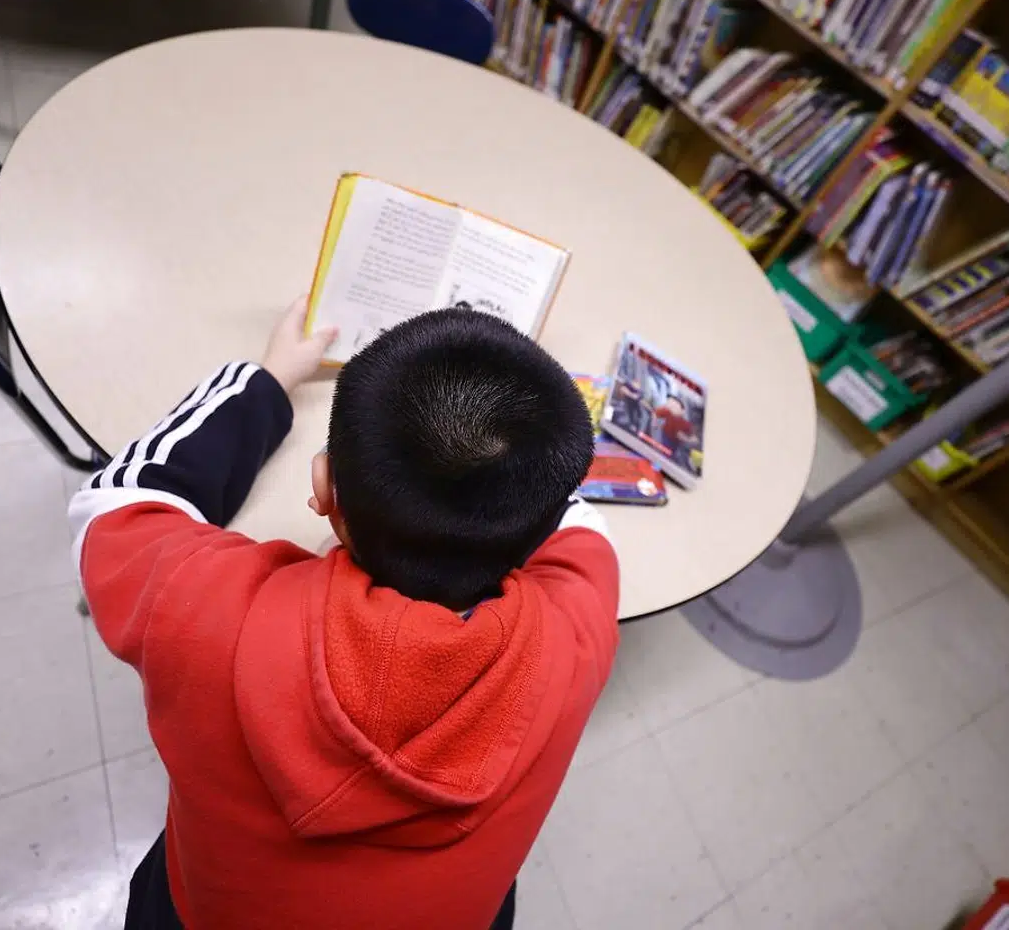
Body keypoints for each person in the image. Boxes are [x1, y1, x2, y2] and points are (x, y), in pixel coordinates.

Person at [68, 299, 620, 930]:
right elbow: (579, 522)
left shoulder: (202, 612)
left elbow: (117, 500)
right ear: (538, 533)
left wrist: (269, 378)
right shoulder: (577, 635)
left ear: (324, 488)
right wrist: (520, 427)